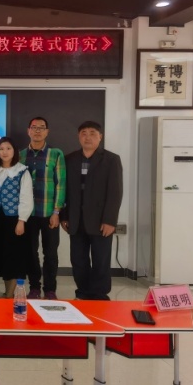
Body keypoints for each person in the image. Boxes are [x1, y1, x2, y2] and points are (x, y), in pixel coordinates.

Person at [61, 121, 123, 301]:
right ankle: (83, 292)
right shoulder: (69, 159)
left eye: (92, 133)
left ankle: (99, 295)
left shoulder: (111, 159)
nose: (87, 137)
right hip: (75, 220)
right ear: (78, 136)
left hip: (101, 221)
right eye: (84, 133)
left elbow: (115, 192)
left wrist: (110, 220)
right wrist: (64, 215)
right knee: (78, 260)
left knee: (100, 260)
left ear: (100, 137)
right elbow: (64, 190)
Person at [19, 117, 66, 300]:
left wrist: (57, 212)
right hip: (28, 214)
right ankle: (34, 288)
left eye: (41, 128)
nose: (37, 131)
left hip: (49, 213)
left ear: (47, 131)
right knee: (30, 253)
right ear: (28, 131)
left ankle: (50, 289)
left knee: (50, 253)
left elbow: (61, 184)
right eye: (34, 127)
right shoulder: (21, 155)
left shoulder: (56, 154)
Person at [0, 136, 33, 298]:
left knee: (14, 256)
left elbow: (26, 197)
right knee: (2, 255)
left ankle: (9, 294)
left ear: (15, 151)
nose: (4, 152)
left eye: (8, 148)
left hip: (15, 219)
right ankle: (7, 291)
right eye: (1, 149)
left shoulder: (22, 171)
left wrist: (22, 220)